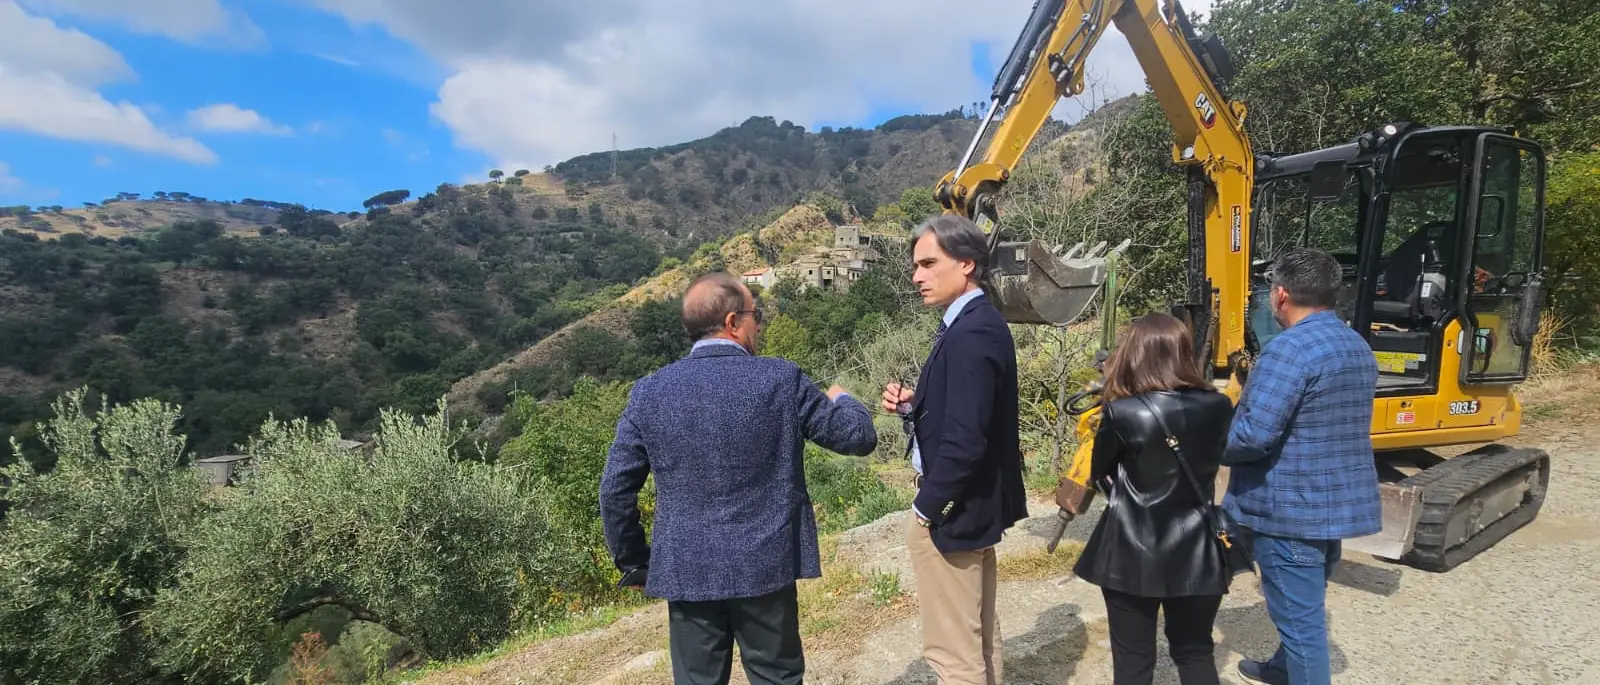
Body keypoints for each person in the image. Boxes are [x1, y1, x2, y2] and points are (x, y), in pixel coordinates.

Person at [599, 271, 879, 685]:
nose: (760, 324)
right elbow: (858, 438)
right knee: (776, 678)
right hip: (765, 568)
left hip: (687, 570)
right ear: (732, 322)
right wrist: (845, 399)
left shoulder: (649, 392)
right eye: (755, 314)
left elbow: (615, 491)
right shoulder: (781, 379)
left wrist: (636, 563)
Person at [1222, 247, 1381, 685]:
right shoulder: (1356, 345)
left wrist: (1202, 443)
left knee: (1303, 625)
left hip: (1290, 511)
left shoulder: (1287, 351)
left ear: (1280, 295)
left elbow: (1253, 436)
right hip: (1330, 507)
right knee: (1303, 605)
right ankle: (1280, 669)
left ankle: (1298, 671)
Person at [880, 215, 1028, 685]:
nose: (916, 276)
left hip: (952, 513)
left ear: (967, 263)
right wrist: (913, 408)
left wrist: (928, 508)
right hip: (971, 508)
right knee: (977, 637)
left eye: (927, 263)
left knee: (953, 654)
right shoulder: (977, 323)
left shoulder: (970, 332)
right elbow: (965, 416)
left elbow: (967, 441)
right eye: (915, 266)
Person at [1071, 312, 1236, 685]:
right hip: (1199, 547)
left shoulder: (1122, 412)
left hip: (1132, 549)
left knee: (1133, 662)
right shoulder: (1219, 405)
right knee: (1195, 652)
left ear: (1135, 354)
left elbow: (1099, 473)